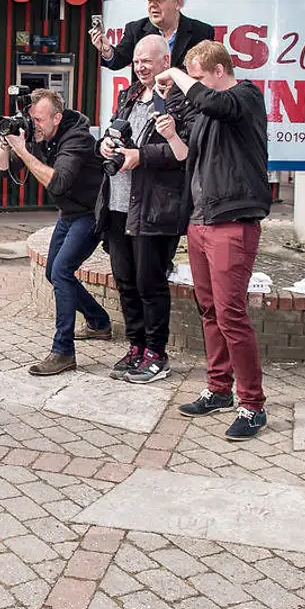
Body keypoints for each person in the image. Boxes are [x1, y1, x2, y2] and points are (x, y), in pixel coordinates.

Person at [158, 41, 272, 441]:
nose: (195, 86)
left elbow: (216, 104)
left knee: (231, 314)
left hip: (232, 223)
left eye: (199, 76)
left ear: (218, 72)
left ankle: (253, 404)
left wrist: (174, 74)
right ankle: (219, 388)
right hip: (201, 221)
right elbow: (188, 155)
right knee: (209, 311)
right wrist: (172, 134)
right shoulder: (208, 110)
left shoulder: (245, 97)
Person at [94, 35, 191, 384]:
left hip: (154, 207)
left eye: (147, 61)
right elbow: (116, 134)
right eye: (136, 61)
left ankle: (156, 353)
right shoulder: (129, 95)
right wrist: (105, 145)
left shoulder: (178, 100)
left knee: (150, 283)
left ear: (166, 62)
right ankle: (136, 346)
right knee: (125, 282)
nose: (140, 67)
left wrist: (141, 156)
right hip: (118, 205)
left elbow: (184, 153)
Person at [0, 89, 108, 376]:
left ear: (57, 117)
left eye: (40, 119)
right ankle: (98, 321)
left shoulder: (78, 138)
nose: (35, 125)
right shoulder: (39, 135)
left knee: (61, 272)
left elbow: (57, 183)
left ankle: (63, 351)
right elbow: (1, 171)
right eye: (32, 119)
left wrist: (22, 149)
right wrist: (6, 145)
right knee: (52, 272)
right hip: (69, 213)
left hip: (91, 213)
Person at [90, 0, 215, 72]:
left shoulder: (201, 32)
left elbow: (205, 73)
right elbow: (117, 61)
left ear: (178, 3)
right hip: (149, 101)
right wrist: (106, 50)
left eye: (159, 0)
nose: (152, 5)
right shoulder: (136, 29)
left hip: (185, 101)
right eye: (150, 0)